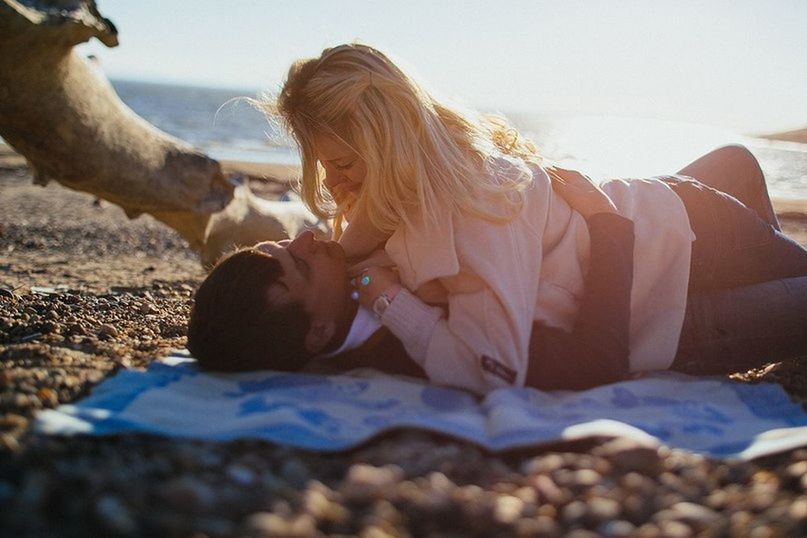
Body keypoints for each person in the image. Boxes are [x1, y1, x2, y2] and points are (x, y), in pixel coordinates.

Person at [188, 43, 807, 394]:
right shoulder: (442, 217)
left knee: (736, 161)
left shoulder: (422, 207)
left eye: (343, 164)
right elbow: (503, 364)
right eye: (328, 165)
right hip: (667, 278)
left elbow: (355, 249)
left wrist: (354, 265)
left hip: (675, 218)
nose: (330, 188)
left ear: (392, 148)